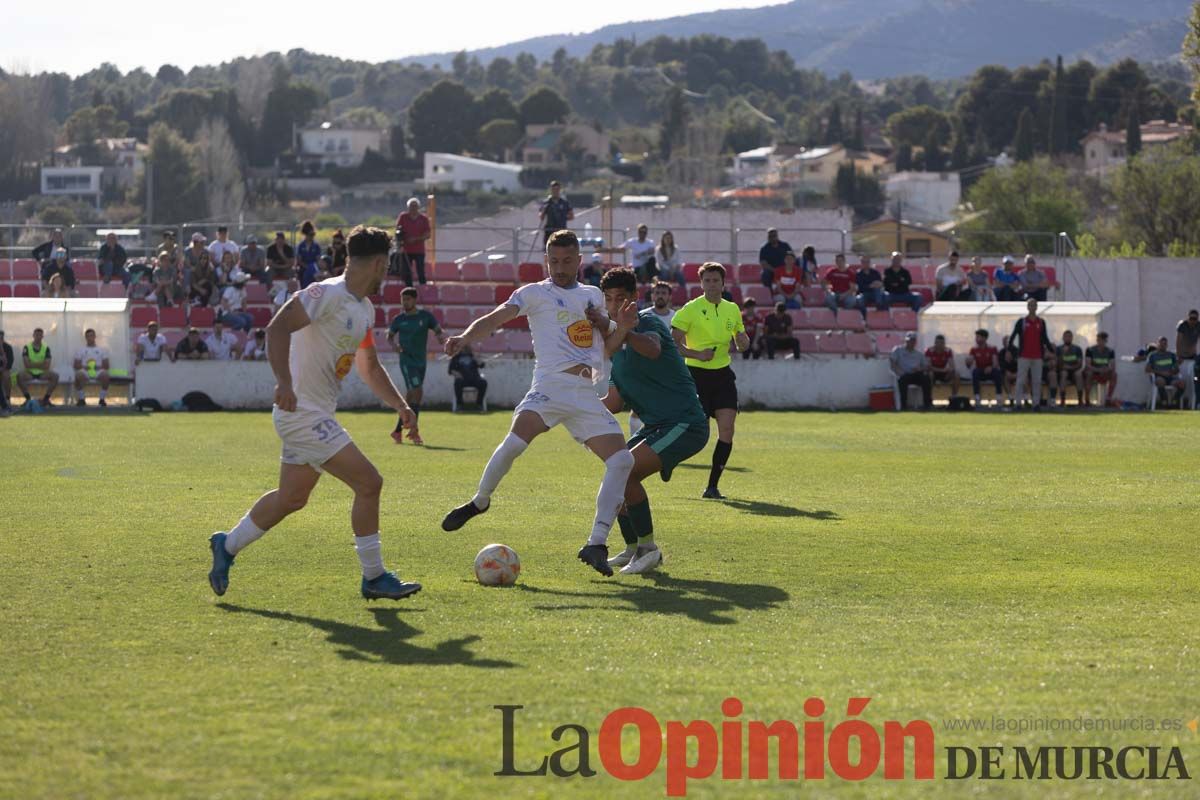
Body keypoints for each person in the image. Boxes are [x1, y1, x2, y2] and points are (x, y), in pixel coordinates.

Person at [207, 225, 421, 601]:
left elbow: (369, 367)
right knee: (369, 483)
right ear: (376, 263)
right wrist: (284, 383)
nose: (386, 274)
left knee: (292, 498)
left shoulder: (365, 309)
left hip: (316, 413)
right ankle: (373, 577)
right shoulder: (327, 294)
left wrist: (400, 404)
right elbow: (277, 328)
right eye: (386, 266)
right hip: (302, 412)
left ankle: (227, 545)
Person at [440, 229, 634, 579]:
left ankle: (596, 544)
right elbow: (497, 318)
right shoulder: (533, 293)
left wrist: (607, 322)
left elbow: (610, 342)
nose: (560, 267)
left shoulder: (592, 295)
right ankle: (480, 500)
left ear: (578, 260)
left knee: (622, 460)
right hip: (549, 386)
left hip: (585, 392)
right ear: (546, 260)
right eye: (553, 261)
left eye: (567, 261)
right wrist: (466, 337)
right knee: (514, 442)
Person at [598, 267, 709, 574]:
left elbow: (653, 348)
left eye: (621, 298)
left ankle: (649, 549)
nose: (614, 306)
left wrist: (626, 331)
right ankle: (633, 548)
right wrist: (572, 409)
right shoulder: (615, 344)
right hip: (658, 427)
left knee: (626, 472)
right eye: (608, 299)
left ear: (634, 298)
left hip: (685, 423)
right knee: (615, 472)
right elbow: (614, 402)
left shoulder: (646, 322)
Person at [671, 263, 750, 499]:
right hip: (696, 376)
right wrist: (697, 354)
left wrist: (744, 340)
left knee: (727, 429)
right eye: (707, 280)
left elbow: (740, 338)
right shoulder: (691, 309)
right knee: (696, 432)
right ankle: (665, 460)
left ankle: (712, 486)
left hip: (723, 375)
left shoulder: (732, 309)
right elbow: (673, 343)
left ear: (723, 283)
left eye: (716, 280)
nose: (712, 284)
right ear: (701, 283)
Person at [386, 287, 445, 445]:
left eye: (408, 299)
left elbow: (438, 330)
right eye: (403, 299)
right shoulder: (399, 319)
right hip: (407, 360)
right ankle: (414, 430)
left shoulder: (425, 316)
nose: (404, 302)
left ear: (414, 300)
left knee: (412, 396)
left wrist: (441, 338)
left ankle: (398, 431)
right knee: (417, 392)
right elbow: (389, 337)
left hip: (421, 361)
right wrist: (395, 346)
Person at [1011, 298, 1053, 409]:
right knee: (1020, 380)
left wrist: (1052, 351)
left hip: (1038, 356)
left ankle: (1036, 403)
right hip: (1024, 356)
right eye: (1030, 305)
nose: (1032, 307)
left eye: (1034, 305)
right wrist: (1011, 350)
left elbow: (1045, 338)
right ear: (1027, 307)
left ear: (1037, 307)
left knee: (1037, 381)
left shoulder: (1041, 322)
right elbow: (1013, 335)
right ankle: (1018, 403)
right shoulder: (1022, 322)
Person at [17, 328, 60, 408]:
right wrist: (41, 364)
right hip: (29, 372)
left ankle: (46, 399)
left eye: (40, 335)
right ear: (33, 336)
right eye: (36, 335)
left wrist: (32, 363)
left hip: (42, 373)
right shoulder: (27, 347)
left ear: (42, 336)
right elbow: (26, 364)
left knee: (55, 376)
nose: (38, 337)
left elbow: (47, 365)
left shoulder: (46, 348)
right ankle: (28, 399)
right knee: (19, 376)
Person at [890, 332, 931, 410]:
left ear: (915, 342)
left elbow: (926, 366)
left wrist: (920, 369)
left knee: (926, 379)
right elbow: (892, 363)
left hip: (916, 374)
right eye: (909, 341)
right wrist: (898, 372)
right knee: (902, 380)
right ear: (905, 341)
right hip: (904, 374)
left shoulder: (919, 354)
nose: (910, 342)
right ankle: (903, 406)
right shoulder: (898, 350)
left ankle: (927, 405)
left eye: (912, 341)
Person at [395, 198, 431, 286]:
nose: (413, 208)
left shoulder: (424, 218)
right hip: (406, 250)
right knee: (407, 272)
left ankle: (423, 291)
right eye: (411, 206)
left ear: (418, 207)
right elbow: (397, 230)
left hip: (419, 250)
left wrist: (415, 239)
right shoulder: (403, 217)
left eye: (415, 206)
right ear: (408, 207)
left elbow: (428, 234)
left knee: (421, 272)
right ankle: (409, 290)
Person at [72, 328, 110, 407]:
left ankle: (102, 399)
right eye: (88, 336)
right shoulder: (80, 350)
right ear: (86, 338)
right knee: (78, 375)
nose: (90, 338)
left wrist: (98, 367)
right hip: (85, 371)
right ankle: (82, 399)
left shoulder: (102, 350)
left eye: (92, 336)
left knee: (106, 375)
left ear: (95, 336)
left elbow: (106, 365)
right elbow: (75, 365)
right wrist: (85, 367)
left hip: (98, 371)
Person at [965, 329, 1003, 408]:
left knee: (997, 372)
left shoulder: (992, 348)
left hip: (990, 371)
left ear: (984, 338)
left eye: (978, 337)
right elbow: (969, 364)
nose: (976, 339)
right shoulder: (974, 349)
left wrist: (991, 367)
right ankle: (977, 398)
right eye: (976, 337)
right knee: (975, 372)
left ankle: (999, 397)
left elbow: (995, 363)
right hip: (980, 371)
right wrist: (968, 361)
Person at [1146, 336, 1186, 407]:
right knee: (1160, 381)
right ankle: (1164, 401)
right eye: (1161, 344)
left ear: (1167, 345)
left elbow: (1177, 370)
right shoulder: (1153, 355)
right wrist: (1161, 373)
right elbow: (1147, 369)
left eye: (1165, 344)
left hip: (1170, 377)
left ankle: (1174, 401)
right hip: (1159, 377)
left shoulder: (1171, 355)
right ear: (1157, 344)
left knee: (1182, 383)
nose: (1163, 346)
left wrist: (1174, 370)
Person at [449, 345, 487, 411]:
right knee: (457, 383)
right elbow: (450, 370)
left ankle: (479, 404)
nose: (465, 348)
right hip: (462, 379)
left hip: (474, 378)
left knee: (483, 383)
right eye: (463, 346)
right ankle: (459, 405)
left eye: (467, 347)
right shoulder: (456, 357)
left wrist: (476, 358)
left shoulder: (473, 356)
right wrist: (456, 373)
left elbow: (482, 365)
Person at [1085, 332, 1117, 405]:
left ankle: (1108, 399)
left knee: (1114, 374)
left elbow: (1112, 366)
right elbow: (1088, 365)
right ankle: (1087, 398)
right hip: (1094, 371)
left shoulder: (1110, 351)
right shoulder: (1090, 350)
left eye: (1103, 340)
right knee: (1088, 374)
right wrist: (1098, 370)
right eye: (1099, 340)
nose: (1100, 342)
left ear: (1106, 341)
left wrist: (1107, 369)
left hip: (1104, 372)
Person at [1054, 330, 1085, 405]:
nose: (1068, 338)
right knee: (1064, 374)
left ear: (1072, 338)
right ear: (1063, 338)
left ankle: (1080, 400)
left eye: (1069, 337)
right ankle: (1062, 400)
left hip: (1074, 370)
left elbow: (1079, 364)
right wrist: (1063, 353)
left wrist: (1070, 367)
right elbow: (1058, 364)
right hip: (1063, 371)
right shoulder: (1058, 349)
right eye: (1066, 337)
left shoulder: (1077, 349)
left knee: (1078, 374)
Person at [1175, 309, 1200, 396]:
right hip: (1182, 354)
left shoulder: (1198, 326)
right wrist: (1179, 355)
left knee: (1196, 373)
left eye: (1195, 319)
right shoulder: (1183, 325)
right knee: (1180, 374)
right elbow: (1178, 341)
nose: (1193, 321)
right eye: (1191, 318)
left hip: (1193, 354)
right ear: (1188, 318)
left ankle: (1196, 383)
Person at [296, 220, 322, 289]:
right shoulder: (301, 246)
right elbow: (299, 260)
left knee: (312, 268)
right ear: (305, 234)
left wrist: (312, 267)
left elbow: (318, 260)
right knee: (307, 271)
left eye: (313, 234)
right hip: (303, 268)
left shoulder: (316, 246)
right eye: (310, 235)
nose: (312, 237)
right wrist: (307, 267)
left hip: (314, 268)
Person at [999, 334, 1019, 403]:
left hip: (1017, 373)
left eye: (1006, 341)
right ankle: (1011, 398)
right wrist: (1006, 372)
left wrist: (1016, 373)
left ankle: (1025, 399)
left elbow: (1020, 364)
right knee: (1004, 378)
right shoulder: (1001, 352)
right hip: (1008, 374)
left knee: (1024, 378)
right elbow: (1001, 365)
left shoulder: (1017, 351)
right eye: (1004, 342)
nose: (1005, 343)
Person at [0, 330, 14, 416]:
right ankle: (4, 405)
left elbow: (9, 363)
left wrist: (2, 369)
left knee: (6, 376)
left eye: (1, 338)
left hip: (3, 370)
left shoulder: (7, 347)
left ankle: (7, 399)